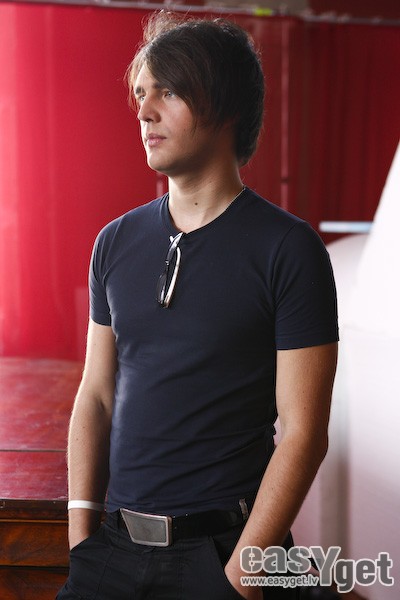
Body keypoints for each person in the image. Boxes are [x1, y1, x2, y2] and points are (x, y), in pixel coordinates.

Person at [56, 11, 338, 600]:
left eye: (168, 91)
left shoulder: (288, 249)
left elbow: (304, 432)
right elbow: (97, 394)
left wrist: (240, 577)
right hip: (111, 553)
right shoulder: (114, 241)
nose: (145, 111)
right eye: (141, 93)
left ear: (224, 104)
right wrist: (82, 537)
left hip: (224, 555)